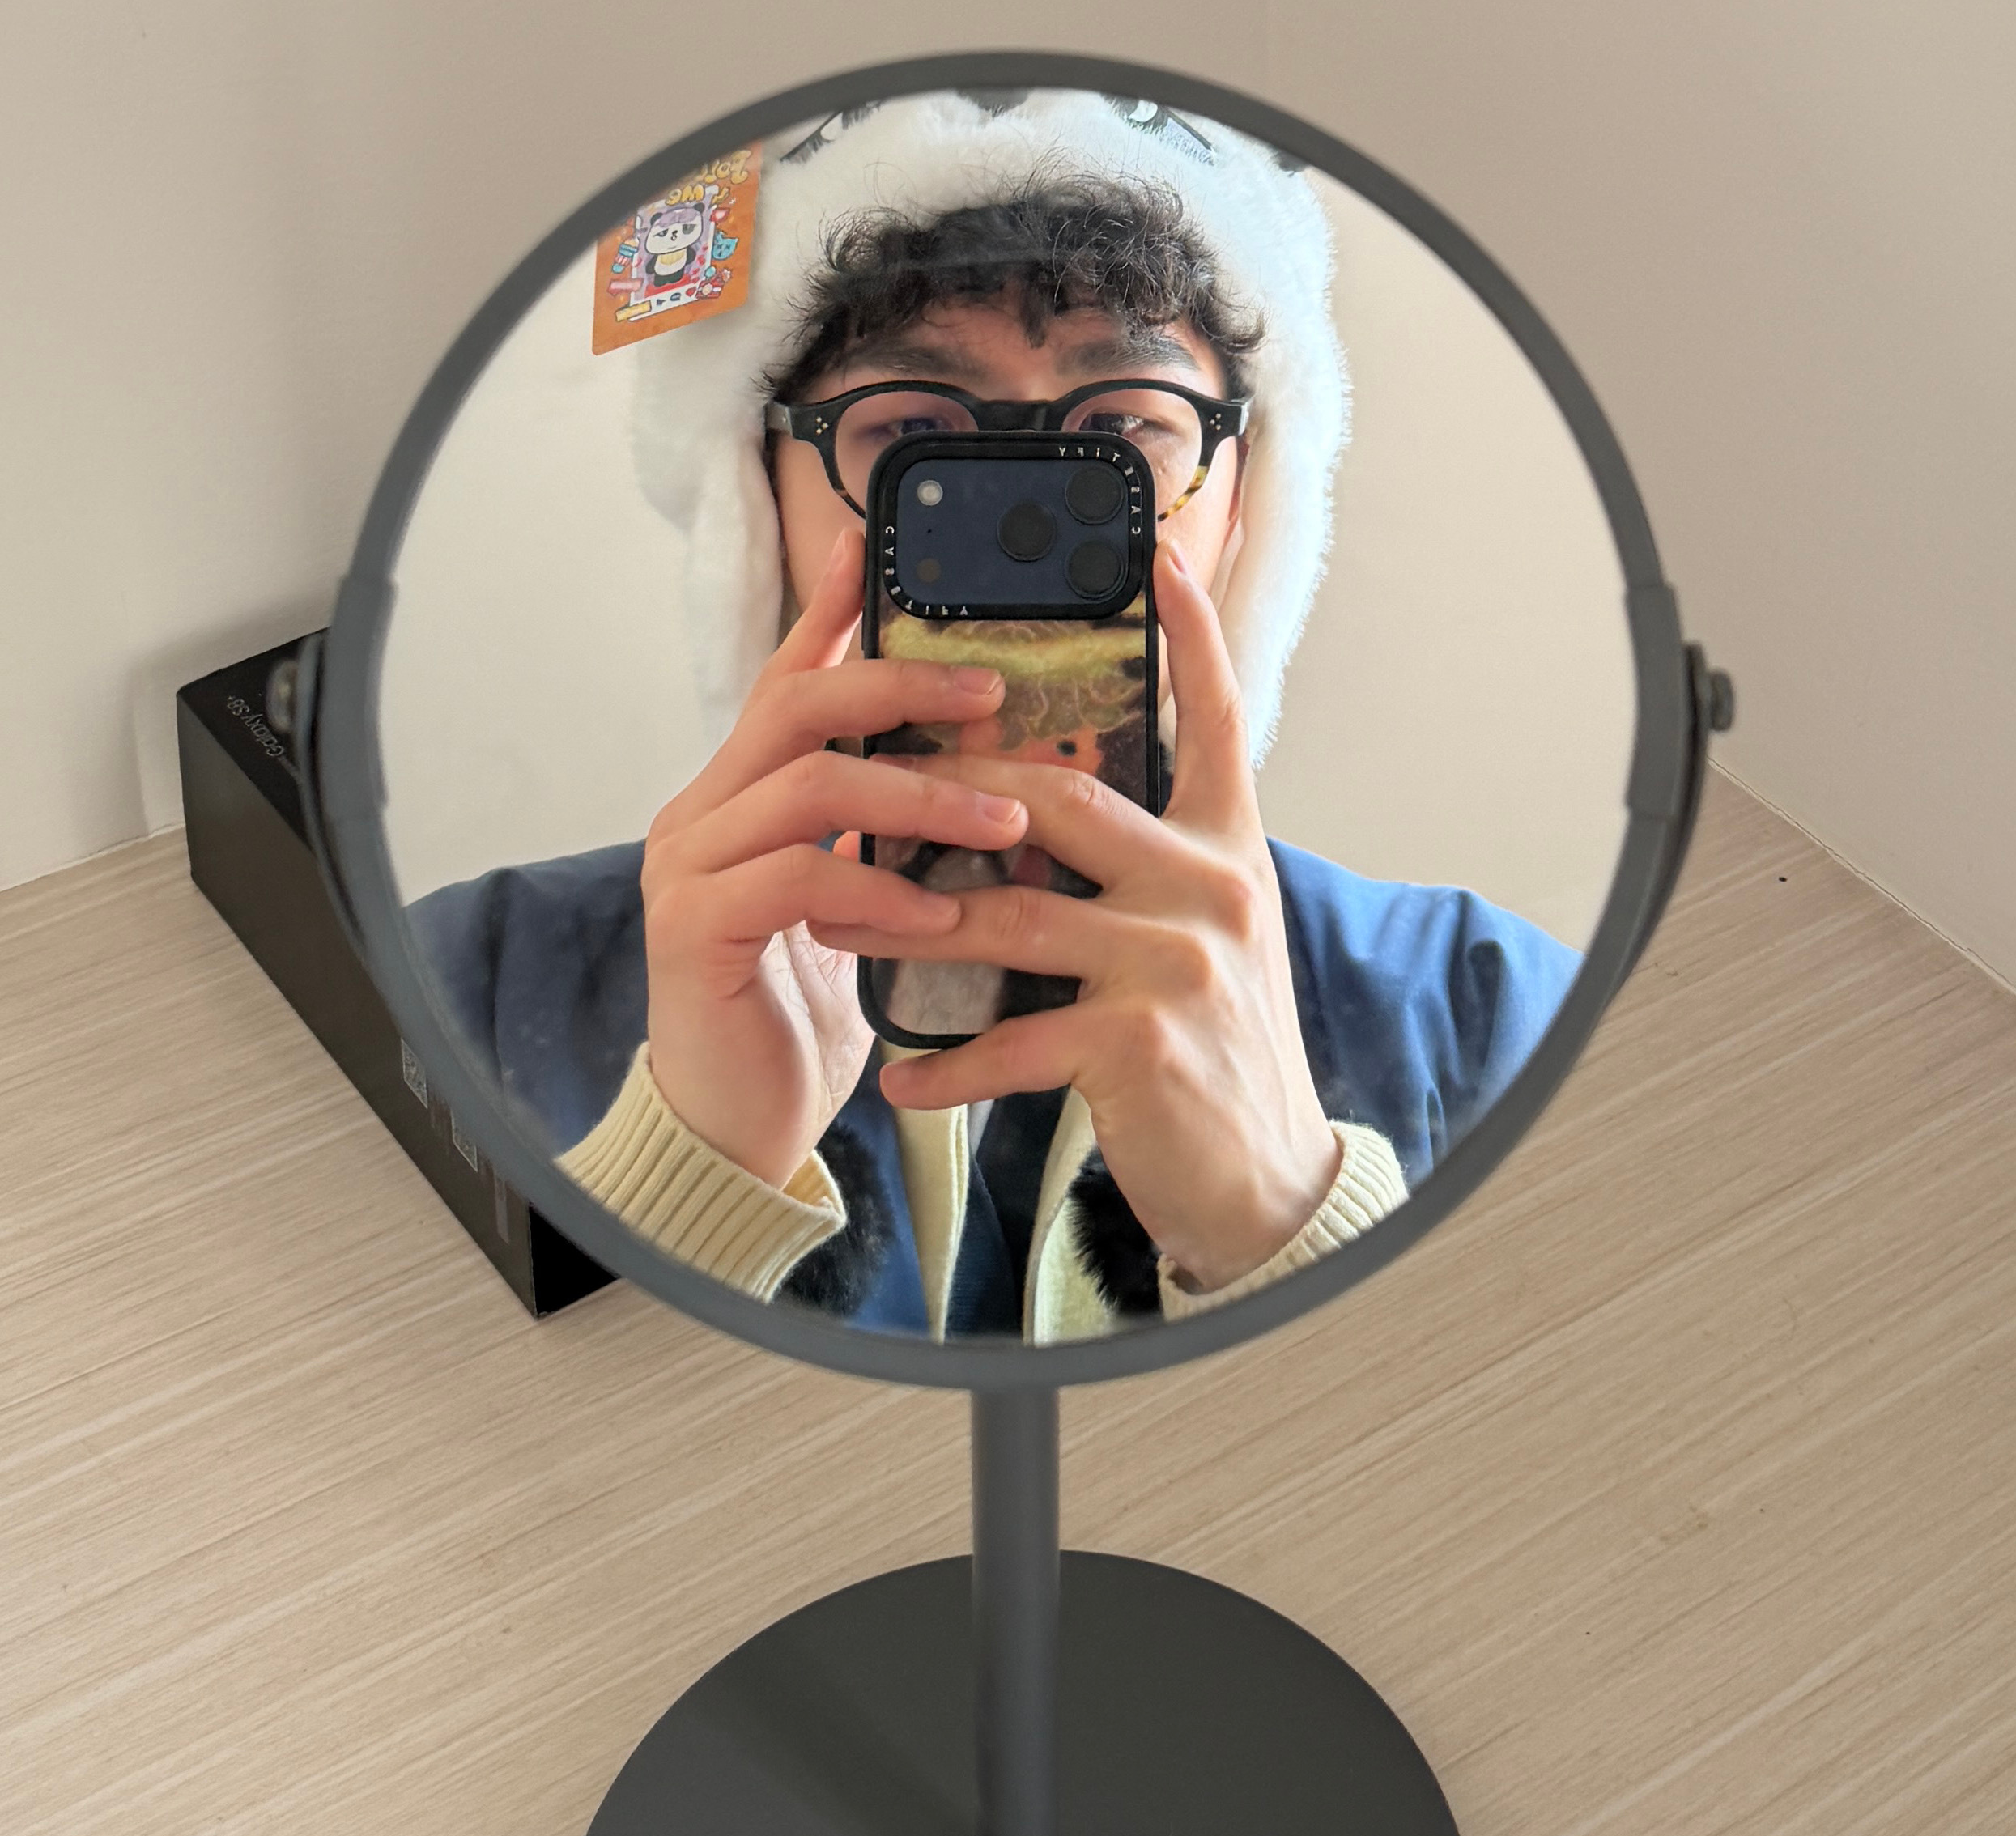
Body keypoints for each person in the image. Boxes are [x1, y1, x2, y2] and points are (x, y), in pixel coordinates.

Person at [413, 92, 1581, 1339]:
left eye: (1123, 432)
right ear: (754, 509)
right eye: (914, 435)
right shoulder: (463, 979)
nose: (1015, 523)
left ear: (1248, 505)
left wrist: (1288, 1220)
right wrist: (682, 1187)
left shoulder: (1499, 1011)